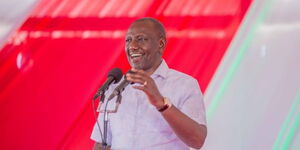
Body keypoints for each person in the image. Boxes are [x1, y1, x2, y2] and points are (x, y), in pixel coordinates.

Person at [91, 17, 207, 150]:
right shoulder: (114, 88)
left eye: (141, 39)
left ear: (161, 44)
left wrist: (161, 103)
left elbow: (197, 140)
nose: (132, 46)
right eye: (128, 40)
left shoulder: (185, 84)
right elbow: (102, 143)